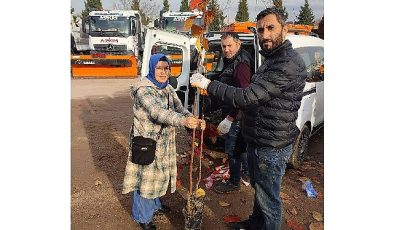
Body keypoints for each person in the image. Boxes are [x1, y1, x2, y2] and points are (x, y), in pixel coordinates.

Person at [190, 8, 307, 230]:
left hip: (271, 146)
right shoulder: (270, 60)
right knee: (260, 192)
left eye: (271, 28)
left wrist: (208, 85)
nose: (264, 34)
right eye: (261, 29)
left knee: (269, 200)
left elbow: (247, 96)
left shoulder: (287, 63)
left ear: (286, 28)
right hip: (259, 139)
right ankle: (254, 225)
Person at [122, 53, 206, 230]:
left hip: (164, 143)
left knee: (159, 176)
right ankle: (142, 217)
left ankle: (155, 206)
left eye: (166, 68)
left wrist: (194, 120)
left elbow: (180, 109)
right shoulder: (143, 89)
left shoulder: (167, 88)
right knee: (145, 180)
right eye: (159, 68)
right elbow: (157, 112)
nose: (162, 72)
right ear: (152, 68)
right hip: (146, 142)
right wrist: (183, 121)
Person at [210, 32, 254, 194]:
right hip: (236, 114)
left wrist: (229, 118)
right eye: (223, 46)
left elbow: (242, 97)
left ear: (238, 44)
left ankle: (234, 181)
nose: (226, 49)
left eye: (230, 45)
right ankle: (247, 174)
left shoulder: (241, 66)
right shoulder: (233, 60)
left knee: (233, 149)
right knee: (241, 147)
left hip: (237, 116)